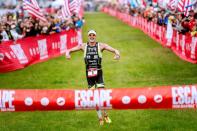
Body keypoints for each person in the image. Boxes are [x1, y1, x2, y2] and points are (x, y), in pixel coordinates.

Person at [66, 29, 120, 125]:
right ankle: (100, 118)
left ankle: (106, 115)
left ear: (95, 36)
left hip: (99, 73)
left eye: (93, 35)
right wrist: (68, 53)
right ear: (88, 36)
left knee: (102, 94)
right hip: (89, 75)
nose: (92, 36)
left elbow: (115, 50)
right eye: (90, 35)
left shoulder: (100, 45)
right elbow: (70, 50)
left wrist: (117, 54)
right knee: (93, 97)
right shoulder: (83, 46)